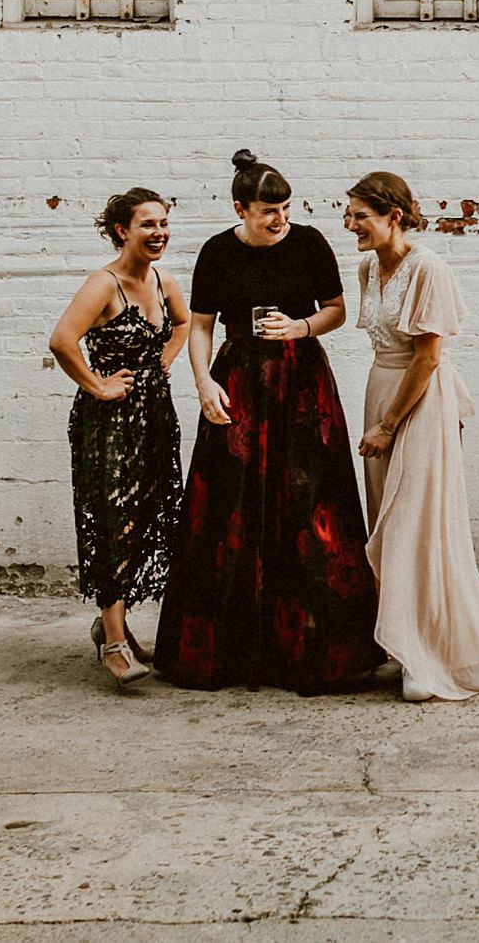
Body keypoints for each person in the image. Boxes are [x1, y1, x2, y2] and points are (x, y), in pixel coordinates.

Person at [154, 151, 385, 692]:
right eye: (267, 212)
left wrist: (300, 327)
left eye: (285, 209)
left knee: (311, 503)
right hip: (238, 381)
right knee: (230, 505)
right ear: (241, 209)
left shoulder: (310, 243)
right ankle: (231, 654)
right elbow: (201, 325)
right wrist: (203, 381)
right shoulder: (217, 251)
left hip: (302, 381)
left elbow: (335, 310)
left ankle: (318, 649)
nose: (280, 219)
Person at [346, 171, 479, 702]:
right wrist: (378, 416)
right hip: (381, 387)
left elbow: (427, 357)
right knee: (385, 521)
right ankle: (401, 642)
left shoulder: (429, 268)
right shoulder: (367, 267)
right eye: (349, 215)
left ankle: (430, 654)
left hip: (419, 399)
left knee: (416, 522)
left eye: (361, 216)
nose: (351, 225)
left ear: (394, 217)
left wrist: (387, 426)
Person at [46, 187, 188, 689]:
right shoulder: (102, 285)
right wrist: (98, 385)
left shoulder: (164, 281)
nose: (159, 232)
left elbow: (184, 323)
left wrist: (163, 361)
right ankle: (113, 644)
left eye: (164, 223)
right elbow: (62, 341)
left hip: (156, 419)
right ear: (121, 230)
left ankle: (114, 625)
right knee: (115, 524)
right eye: (148, 224)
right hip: (109, 424)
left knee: (148, 518)